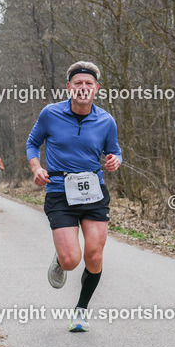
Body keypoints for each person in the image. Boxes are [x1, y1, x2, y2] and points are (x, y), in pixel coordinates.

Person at [26, 61, 121, 332]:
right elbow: (33, 143)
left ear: (96, 88)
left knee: (94, 255)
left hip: (93, 191)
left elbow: (115, 150)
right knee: (71, 260)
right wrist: (37, 168)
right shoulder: (50, 114)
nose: (83, 88)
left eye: (88, 83)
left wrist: (115, 161)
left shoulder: (106, 120)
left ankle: (81, 310)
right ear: (69, 87)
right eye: (78, 83)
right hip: (59, 191)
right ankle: (61, 258)